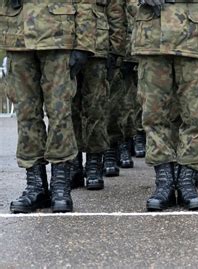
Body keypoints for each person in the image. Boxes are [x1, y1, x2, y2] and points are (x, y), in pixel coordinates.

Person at [1, 0, 96, 213]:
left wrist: (84, 43)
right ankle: (36, 187)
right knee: (26, 114)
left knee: (60, 113)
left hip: (59, 37)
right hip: (18, 36)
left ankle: (60, 185)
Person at [132, 0, 198, 211]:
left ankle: (187, 179)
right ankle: (163, 181)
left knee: (194, 115)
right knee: (154, 114)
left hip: (193, 39)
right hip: (152, 39)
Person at [71, 0, 126, 190]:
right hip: (63, 43)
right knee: (68, 109)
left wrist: (116, 50)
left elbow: (116, 12)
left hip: (98, 47)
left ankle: (94, 163)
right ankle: (73, 163)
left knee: (96, 108)